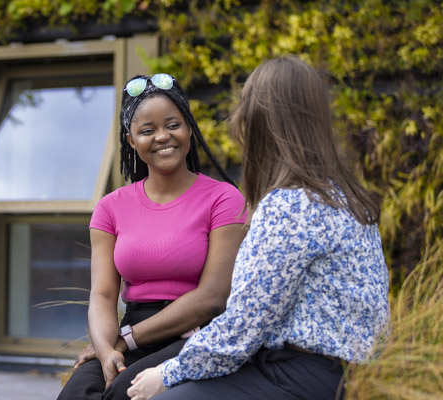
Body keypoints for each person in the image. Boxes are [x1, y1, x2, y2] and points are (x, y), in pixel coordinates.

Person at [127, 56, 391, 400]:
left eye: (244, 109)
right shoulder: (344, 196)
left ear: (262, 122)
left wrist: (167, 373)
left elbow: (243, 328)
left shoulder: (291, 205)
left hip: (300, 375)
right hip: (341, 371)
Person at [57, 73, 247, 400]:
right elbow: (102, 295)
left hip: (196, 333)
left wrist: (125, 340)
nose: (162, 137)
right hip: (133, 328)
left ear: (189, 127)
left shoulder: (224, 199)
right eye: (147, 130)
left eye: (172, 124)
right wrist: (105, 350)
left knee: (124, 392)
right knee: (78, 390)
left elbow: (212, 297)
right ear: (131, 141)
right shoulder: (110, 207)